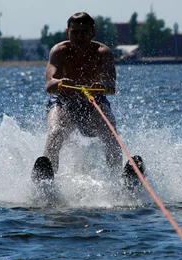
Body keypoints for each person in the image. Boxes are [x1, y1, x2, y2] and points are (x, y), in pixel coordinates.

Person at [38, 11, 122, 176]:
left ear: (93, 33)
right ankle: (47, 181)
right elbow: (50, 85)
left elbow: (111, 87)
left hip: (94, 101)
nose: (79, 37)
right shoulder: (59, 51)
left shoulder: (103, 53)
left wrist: (101, 86)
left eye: (84, 33)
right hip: (63, 101)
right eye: (75, 33)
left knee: (110, 133)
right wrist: (60, 83)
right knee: (56, 132)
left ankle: (118, 180)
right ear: (67, 32)